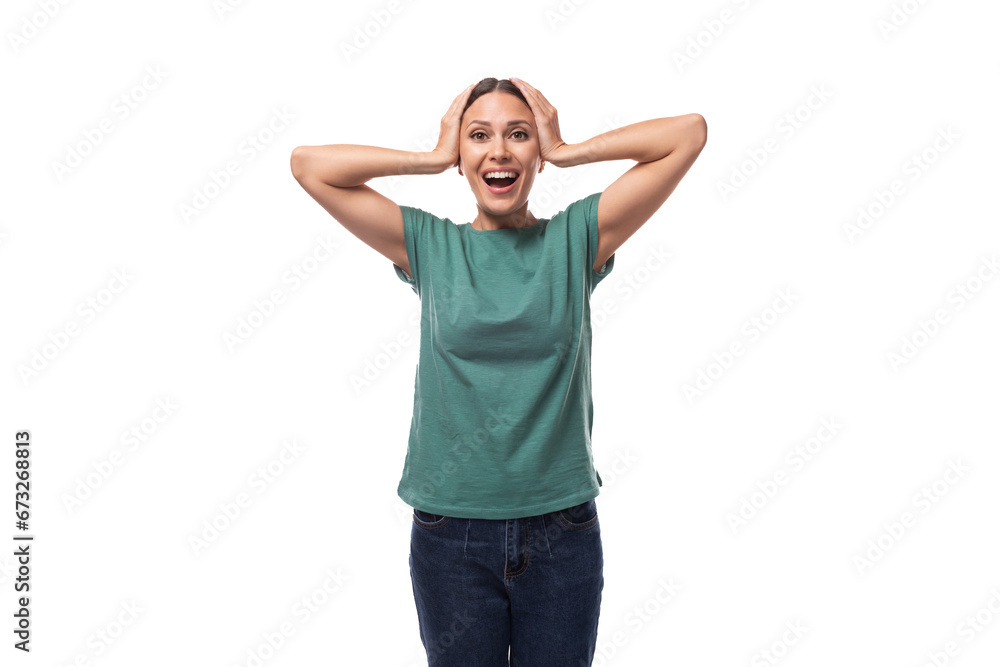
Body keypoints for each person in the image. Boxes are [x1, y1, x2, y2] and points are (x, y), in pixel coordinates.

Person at [290, 76, 706, 666]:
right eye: (478, 136)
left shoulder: (576, 238)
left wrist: (568, 149)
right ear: (463, 159)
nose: (500, 151)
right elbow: (309, 166)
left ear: (536, 155)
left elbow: (688, 134)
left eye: (519, 135)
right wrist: (432, 156)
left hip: (561, 529)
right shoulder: (428, 246)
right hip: (449, 532)